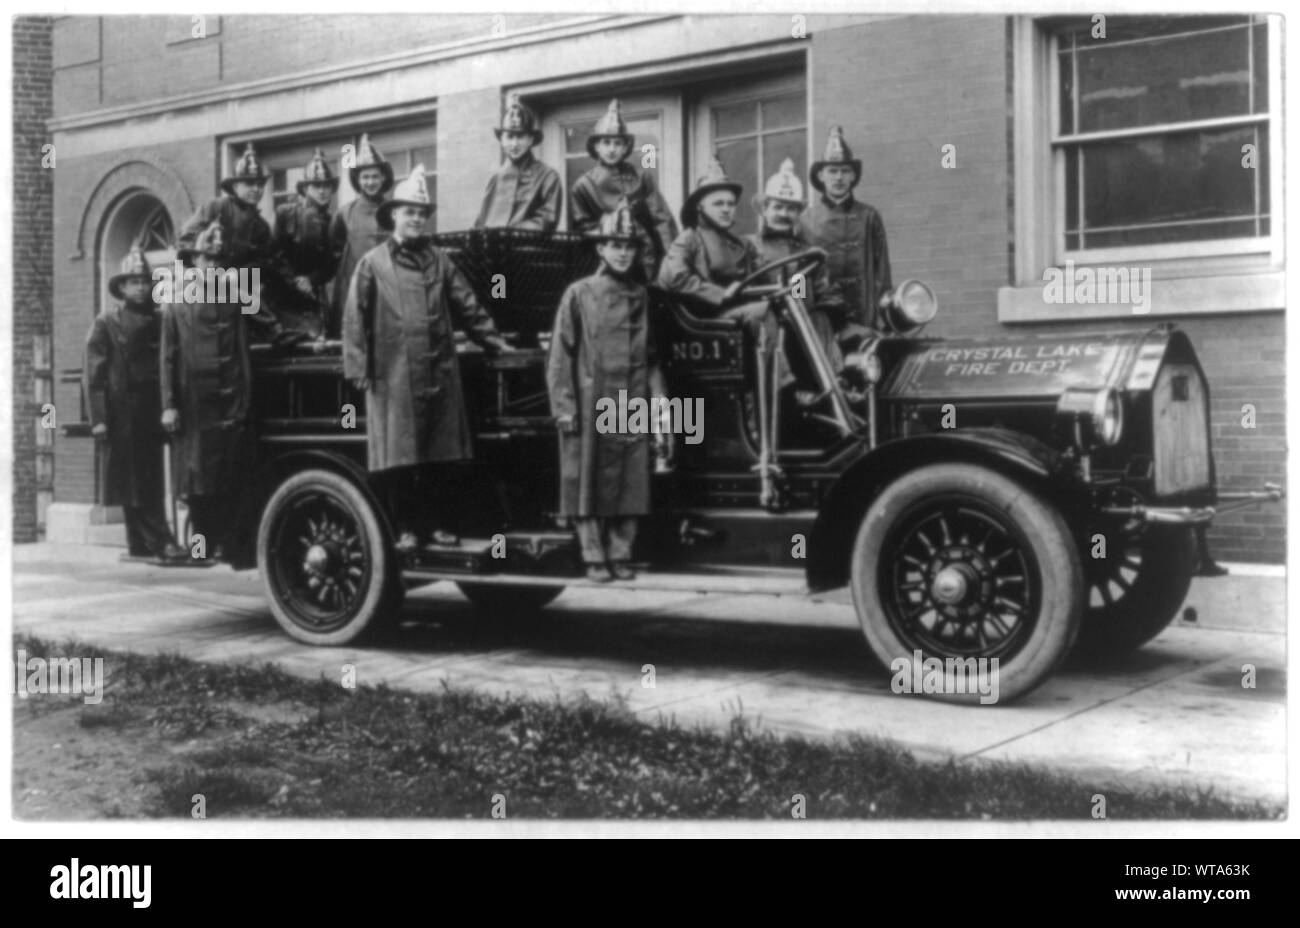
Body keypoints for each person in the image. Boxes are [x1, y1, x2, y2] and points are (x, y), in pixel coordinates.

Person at [342, 164, 515, 551]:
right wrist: (358, 367)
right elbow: (355, 317)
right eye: (409, 212)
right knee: (401, 459)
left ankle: (439, 526)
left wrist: (495, 343)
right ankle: (405, 528)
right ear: (394, 218)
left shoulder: (440, 260)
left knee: (441, 456)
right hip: (394, 375)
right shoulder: (372, 263)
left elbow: (467, 305)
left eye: (421, 213)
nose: (416, 219)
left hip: (439, 371)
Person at [547, 202, 666, 583]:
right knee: (588, 478)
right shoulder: (579, 293)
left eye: (629, 246)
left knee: (630, 477)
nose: (622, 252)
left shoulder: (641, 294)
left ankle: (621, 552)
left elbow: (651, 357)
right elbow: (560, 354)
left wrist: (660, 405)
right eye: (615, 245)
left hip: (631, 398)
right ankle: (592, 554)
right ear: (601, 249)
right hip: (590, 397)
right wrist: (564, 407)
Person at [84, 248, 187, 564]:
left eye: (145, 281)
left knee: (147, 475)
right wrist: (99, 418)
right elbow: (94, 374)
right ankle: (161, 542)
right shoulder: (107, 322)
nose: (141, 287)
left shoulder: (160, 319)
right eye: (133, 282)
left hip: (153, 408)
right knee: (136, 477)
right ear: (123, 287)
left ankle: (139, 543)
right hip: (123, 411)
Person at [160, 222, 255, 562]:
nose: (212, 266)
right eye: (206, 259)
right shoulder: (176, 300)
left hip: (227, 400)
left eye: (218, 261)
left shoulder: (233, 297)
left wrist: (243, 398)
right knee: (197, 484)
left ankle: (224, 544)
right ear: (194, 260)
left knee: (226, 478)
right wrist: (169, 405)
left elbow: (242, 351)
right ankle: (199, 547)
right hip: (193, 404)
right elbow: (167, 357)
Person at [176, 142, 296, 344]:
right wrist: (205, 263)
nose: (256, 189)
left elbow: (264, 263)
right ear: (235, 186)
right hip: (202, 277)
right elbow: (185, 240)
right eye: (249, 184)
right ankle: (274, 331)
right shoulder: (216, 208)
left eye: (260, 184)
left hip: (239, 284)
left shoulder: (261, 227)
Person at [747, 157, 847, 381]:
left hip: (804, 326)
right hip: (767, 326)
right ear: (764, 209)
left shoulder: (807, 252)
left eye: (790, 208)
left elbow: (824, 290)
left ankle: (833, 386)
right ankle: (786, 387)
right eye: (778, 207)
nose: (784, 214)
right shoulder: (750, 248)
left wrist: (829, 307)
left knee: (821, 319)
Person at [801, 125, 892, 348]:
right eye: (832, 171)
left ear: (852, 176)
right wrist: (801, 310)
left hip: (864, 314)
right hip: (823, 318)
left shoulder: (869, 216)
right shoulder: (805, 219)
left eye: (844, 171)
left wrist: (883, 317)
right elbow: (798, 273)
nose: (839, 177)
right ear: (821, 175)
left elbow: (883, 272)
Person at [568, 98, 677, 281]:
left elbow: (661, 219)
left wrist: (673, 258)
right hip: (605, 260)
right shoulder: (584, 185)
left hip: (646, 257)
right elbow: (583, 231)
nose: (612, 149)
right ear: (597, 146)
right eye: (606, 142)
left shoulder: (642, 177)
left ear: (626, 147)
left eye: (618, 143)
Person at [330, 133, 394, 339]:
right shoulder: (345, 213)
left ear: (383, 178)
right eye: (365, 177)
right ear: (358, 180)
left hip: (390, 290)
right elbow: (335, 252)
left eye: (375, 176)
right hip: (355, 290)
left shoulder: (396, 211)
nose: (370, 182)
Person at [272, 148, 339, 338]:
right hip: (281, 291)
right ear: (305, 188)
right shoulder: (285, 213)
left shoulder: (332, 222)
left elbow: (332, 263)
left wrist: (312, 280)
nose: (322, 191)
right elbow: (274, 253)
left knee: (314, 340)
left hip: (312, 293)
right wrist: (294, 281)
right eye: (316, 186)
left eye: (326, 186)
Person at [475, 93, 562, 233]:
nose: (514, 144)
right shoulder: (495, 178)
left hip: (529, 252)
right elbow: (481, 221)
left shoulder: (548, 176)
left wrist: (510, 232)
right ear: (502, 140)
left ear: (531, 140)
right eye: (509, 137)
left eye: (520, 136)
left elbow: (547, 219)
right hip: (493, 252)